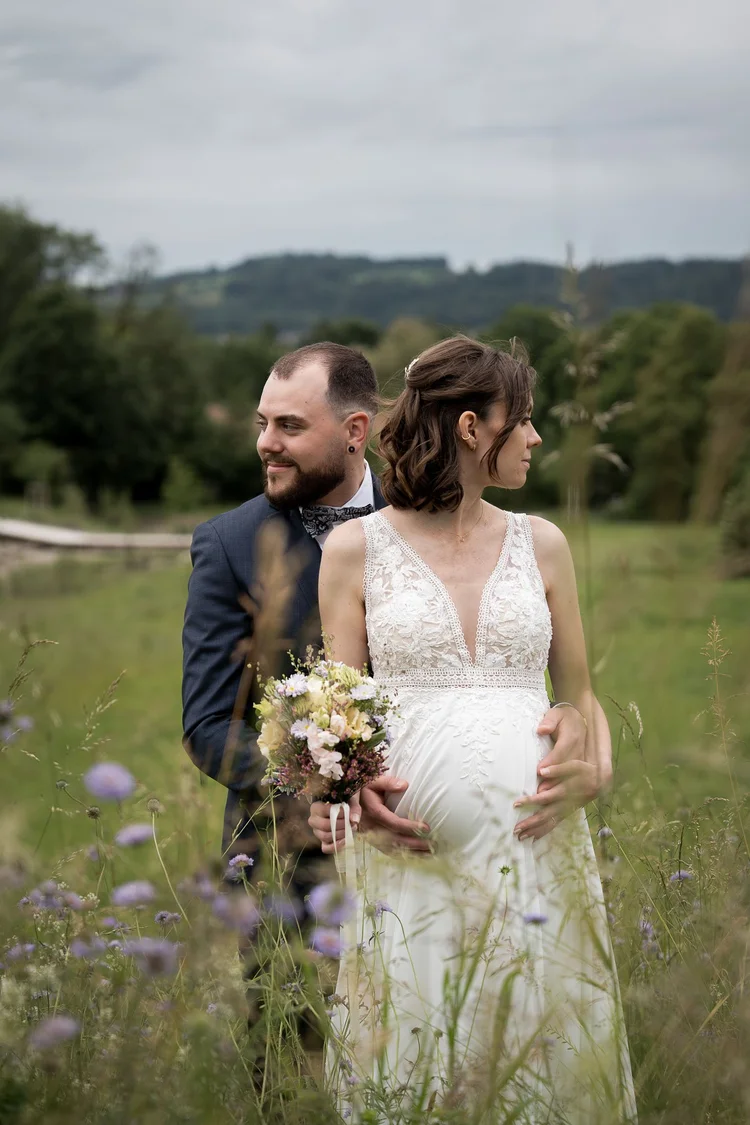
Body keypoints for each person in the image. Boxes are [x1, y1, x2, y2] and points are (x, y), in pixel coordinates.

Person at [310, 336, 637, 1121]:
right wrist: (346, 791)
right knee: (421, 1068)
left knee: (545, 1061)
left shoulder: (543, 543)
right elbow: (334, 719)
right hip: (407, 864)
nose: (533, 438)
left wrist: (598, 762)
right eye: (520, 420)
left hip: (539, 855)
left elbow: (582, 697)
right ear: (468, 427)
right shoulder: (355, 550)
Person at [182, 340, 588, 877]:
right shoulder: (227, 543)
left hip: (506, 839)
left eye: (290, 426)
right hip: (289, 864)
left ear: (355, 431)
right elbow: (209, 725)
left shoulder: (426, 516)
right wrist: (330, 783)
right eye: (263, 424)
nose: (266, 444)